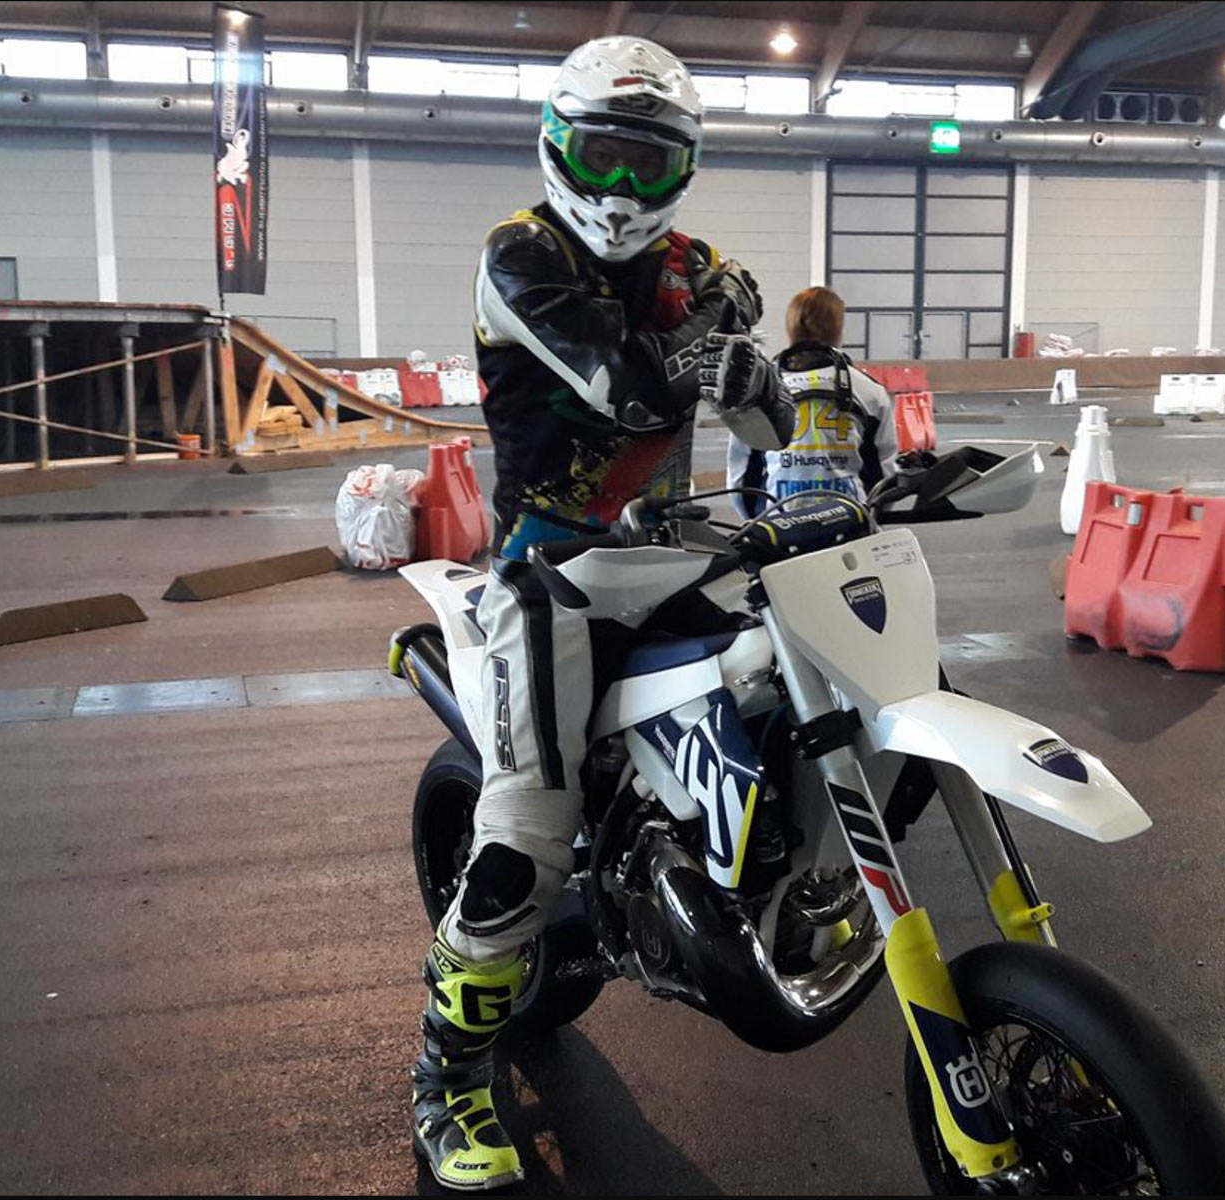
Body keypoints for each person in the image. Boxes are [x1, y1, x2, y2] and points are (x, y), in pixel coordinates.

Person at [412, 35, 793, 1192]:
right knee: (525, 835)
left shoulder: (698, 267)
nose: (622, 187)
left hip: (672, 552)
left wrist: (759, 376)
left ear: (684, 165)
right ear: (557, 146)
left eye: (648, 161)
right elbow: (625, 385)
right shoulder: (519, 254)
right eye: (602, 156)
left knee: (794, 682)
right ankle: (445, 1077)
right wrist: (715, 332)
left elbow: (770, 421)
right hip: (548, 570)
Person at [726, 286, 900, 517]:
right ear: (838, 328)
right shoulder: (869, 391)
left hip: (780, 525)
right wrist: (868, 517)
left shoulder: (759, 390)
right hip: (850, 523)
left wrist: (759, 524)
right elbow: (884, 475)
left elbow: (741, 477)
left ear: (791, 327)